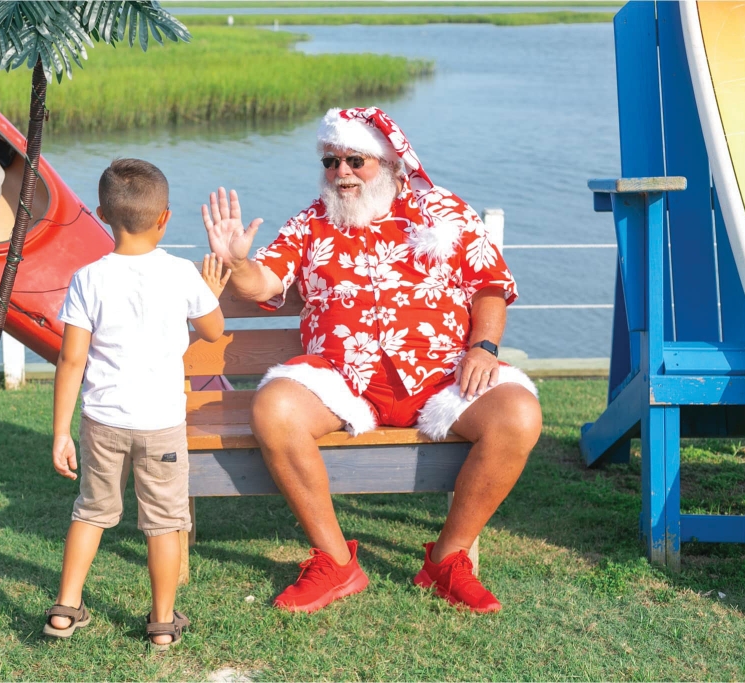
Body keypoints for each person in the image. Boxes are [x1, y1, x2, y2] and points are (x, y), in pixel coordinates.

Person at [201, 107, 542, 614]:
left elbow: (489, 286)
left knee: (519, 413)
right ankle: (336, 564)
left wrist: (483, 345)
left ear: (389, 163)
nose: (341, 173)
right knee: (274, 408)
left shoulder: (443, 212)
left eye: (355, 160)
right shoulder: (311, 222)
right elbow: (265, 285)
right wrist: (238, 262)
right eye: (331, 161)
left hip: (444, 377)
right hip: (341, 382)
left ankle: (446, 562)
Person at [46, 158, 230, 648]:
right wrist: (208, 293)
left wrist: (61, 431)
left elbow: (71, 360)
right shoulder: (181, 275)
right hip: (161, 425)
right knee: (164, 522)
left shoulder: (88, 278)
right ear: (165, 217)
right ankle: (163, 624)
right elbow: (214, 332)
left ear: (103, 213)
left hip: (101, 421)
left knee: (90, 510)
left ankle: (65, 609)